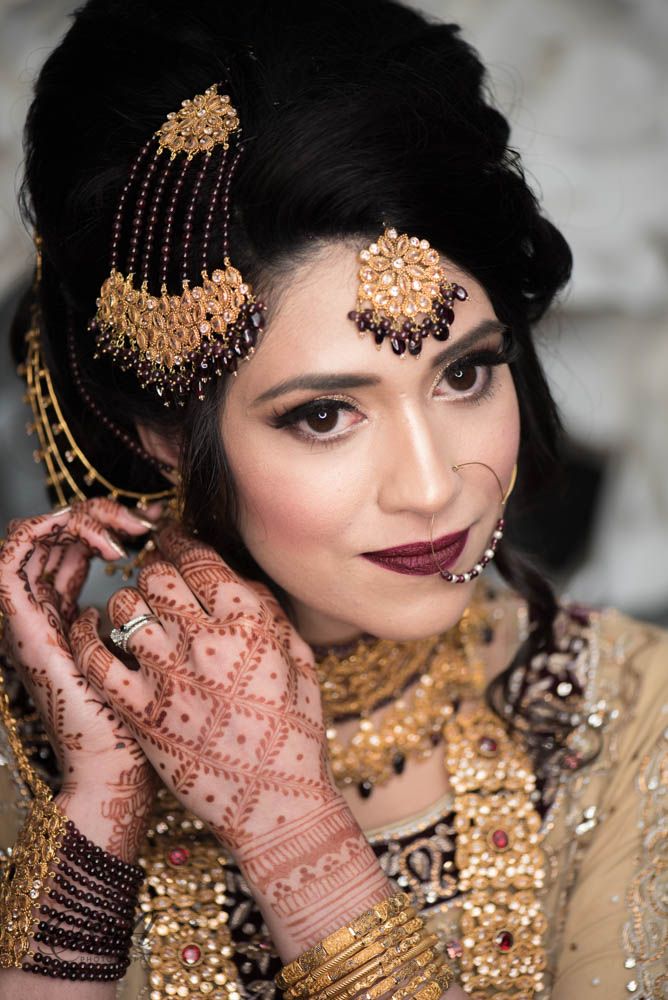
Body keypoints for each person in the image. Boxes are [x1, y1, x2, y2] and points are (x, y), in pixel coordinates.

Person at [0, 0, 665, 997]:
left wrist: (291, 830)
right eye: (323, 415)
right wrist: (95, 814)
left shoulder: (636, 720)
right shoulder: (36, 747)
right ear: (165, 434)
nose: (434, 486)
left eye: (464, 373)